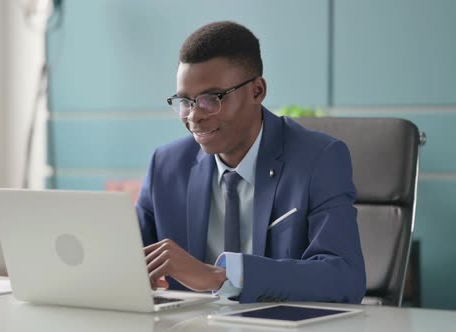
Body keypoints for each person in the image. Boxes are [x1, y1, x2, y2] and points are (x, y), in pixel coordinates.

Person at [136, 21, 366, 304]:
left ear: (257, 91)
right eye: (185, 101)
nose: (194, 116)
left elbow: (344, 277)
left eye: (211, 99)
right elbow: (125, 259)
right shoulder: (166, 165)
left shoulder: (319, 159)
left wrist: (221, 276)